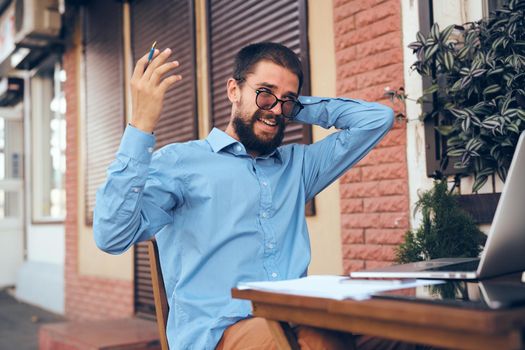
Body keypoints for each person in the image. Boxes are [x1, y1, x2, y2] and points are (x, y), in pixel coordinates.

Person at [94, 42, 415, 349]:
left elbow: (377, 120)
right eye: (264, 94)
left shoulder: (298, 166)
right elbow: (112, 236)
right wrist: (141, 125)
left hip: (297, 317)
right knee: (321, 341)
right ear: (234, 90)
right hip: (217, 332)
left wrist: (290, 107)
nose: (275, 110)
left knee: (408, 330)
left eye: (287, 100)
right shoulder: (180, 162)